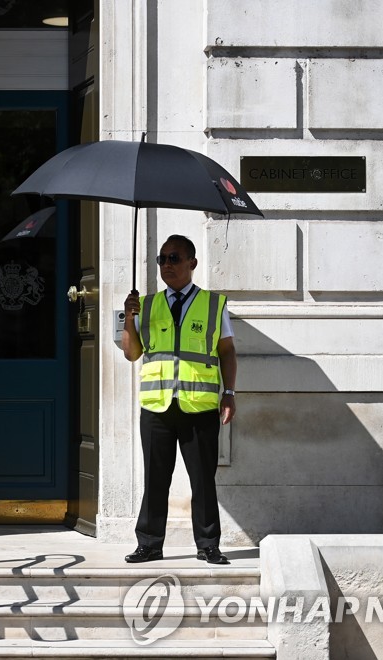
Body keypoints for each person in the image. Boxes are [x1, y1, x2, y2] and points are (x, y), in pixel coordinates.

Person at [121, 234, 237, 565]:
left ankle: (209, 544)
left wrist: (229, 393)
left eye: (174, 258)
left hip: (199, 407)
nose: (167, 265)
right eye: (162, 259)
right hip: (156, 406)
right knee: (155, 478)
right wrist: (129, 318)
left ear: (192, 263)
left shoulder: (213, 304)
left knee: (203, 479)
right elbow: (132, 353)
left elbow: (227, 351)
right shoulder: (147, 304)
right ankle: (149, 544)